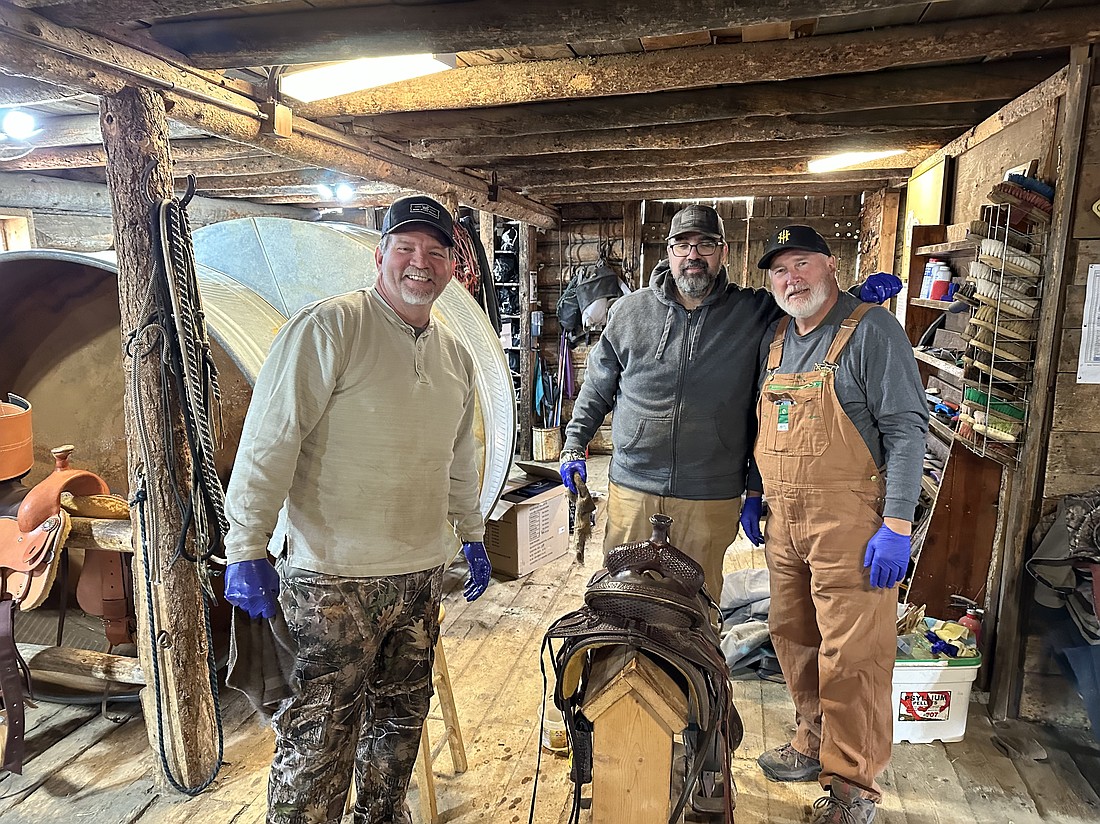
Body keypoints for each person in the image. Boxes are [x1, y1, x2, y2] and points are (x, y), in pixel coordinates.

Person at [221, 194, 493, 824]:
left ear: (453, 266)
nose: (420, 263)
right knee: (320, 738)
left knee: (398, 723)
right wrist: (247, 545)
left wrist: (471, 533)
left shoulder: (454, 355)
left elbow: (459, 455)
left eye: (435, 252)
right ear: (380, 258)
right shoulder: (329, 328)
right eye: (407, 248)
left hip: (419, 576)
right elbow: (272, 436)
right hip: (331, 580)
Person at [559, 204, 901, 597]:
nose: (693, 255)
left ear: (723, 253)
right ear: (668, 252)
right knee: (622, 599)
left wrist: (855, 296)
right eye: (682, 245)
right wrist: (573, 444)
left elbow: (806, 299)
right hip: (632, 487)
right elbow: (598, 387)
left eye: (706, 245)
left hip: (711, 494)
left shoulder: (752, 311)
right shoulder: (629, 312)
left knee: (697, 608)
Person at [744, 225, 928, 824]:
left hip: (851, 521)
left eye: (802, 264)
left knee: (853, 654)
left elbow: (905, 428)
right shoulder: (775, 338)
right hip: (784, 517)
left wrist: (897, 524)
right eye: (779, 271)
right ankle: (811, 735)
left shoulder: (872, 330)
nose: (790, 279)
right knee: (792, 632)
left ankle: (852, 786)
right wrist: (755, 489)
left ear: (830, 265)